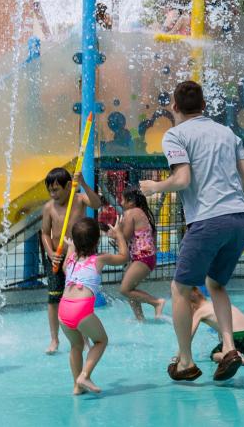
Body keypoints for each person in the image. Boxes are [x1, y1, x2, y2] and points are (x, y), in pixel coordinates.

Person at [141, 80, 244, 383]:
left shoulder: (175, 134)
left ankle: (186, 362)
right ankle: (230, 347)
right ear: (204, 106)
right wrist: (241, 203)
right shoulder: (228, 133)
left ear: (174, 107)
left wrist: (155, 186)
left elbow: (181, 178)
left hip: (208, 220)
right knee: (215, 284)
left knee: (179, 289)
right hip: (240, 220)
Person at [57, 217, 129, 394]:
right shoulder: (98, 259)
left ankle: (76, 386)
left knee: (76, 346)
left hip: (63, 309)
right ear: (97, 241)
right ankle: (85, 375)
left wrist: (71, 248)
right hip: (81, 309)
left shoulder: (71, 261)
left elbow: (65, 268)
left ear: (75, 241)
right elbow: (123, 257)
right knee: (101, 341)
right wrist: (119, 234)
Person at [40, 167, 103, 354]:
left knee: (77, 298)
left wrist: (83, 183)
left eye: (56, 189)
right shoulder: (49, 207)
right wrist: (51, 253)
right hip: (56, 257)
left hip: (77, 257)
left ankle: (82, 338)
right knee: (53, 299)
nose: (53, 194)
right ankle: (54, 339)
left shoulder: (80, 200)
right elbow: (44, 233)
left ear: (69, 186)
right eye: (50, 190)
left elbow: (97, 203)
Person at [117, 186, 165, 321]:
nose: (121, 203)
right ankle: (140, 318)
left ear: (131, 201)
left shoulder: (131, 212)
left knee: (125, 289)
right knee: (130, 290)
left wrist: (117, 232)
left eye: (122, 199)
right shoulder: (142, 212)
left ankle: (156, 302)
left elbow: (125, 236)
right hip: (147, 257)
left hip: (142, 258)